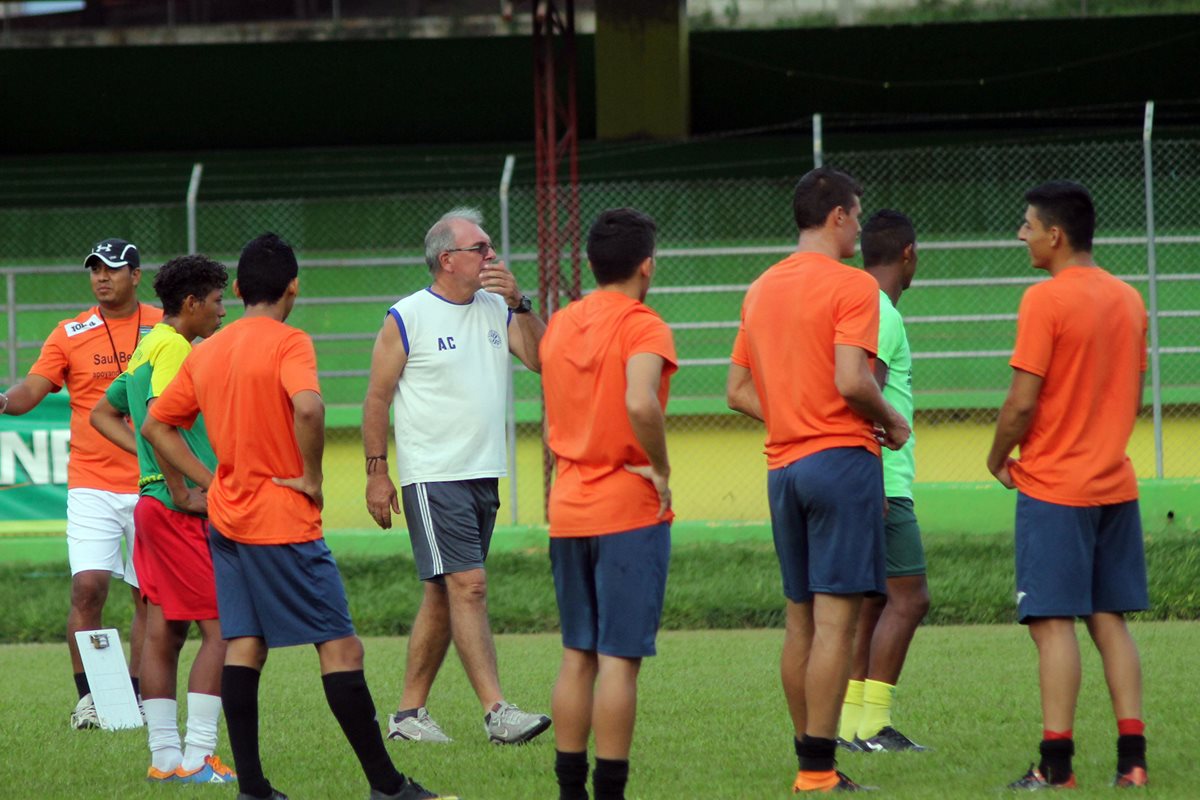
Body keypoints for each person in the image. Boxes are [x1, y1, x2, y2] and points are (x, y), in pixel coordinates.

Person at [143, 233, 453, 800]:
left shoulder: (207, 350)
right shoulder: (290, 342)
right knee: (342, 649)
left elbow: (156, 425)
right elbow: (308, 406)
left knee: (244, 646)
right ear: (294, 289)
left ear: (235, 290)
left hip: (227, 522)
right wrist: (311, 477)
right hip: (281, 521)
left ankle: (255, 790)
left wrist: (200, 485)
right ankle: (387, 787)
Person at [726, 166, 910, 794]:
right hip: (840, 463)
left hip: (783, 468)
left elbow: (737, 390)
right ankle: (818, 770)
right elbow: (853, 380)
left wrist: (793, 415)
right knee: (838, 624)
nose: (861, 226)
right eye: (857, 215)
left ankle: (810, 758)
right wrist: (893, 421)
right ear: (836, 216)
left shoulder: (761, 288)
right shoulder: (853, 286)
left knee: (800, 620)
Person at [362, 207, 550, 745]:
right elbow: (375, 398)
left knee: (444, 594)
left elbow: (542, 359)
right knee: (469, 585)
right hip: (432, 476)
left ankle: (407, 717)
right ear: (448, 259)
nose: (492, 257)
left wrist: (521, 303)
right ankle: (497, 712)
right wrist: (379, 474)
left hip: (483, 473)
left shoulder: (498, 308)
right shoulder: (407, 316)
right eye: (481, 248)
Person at [987, 181, 1149, 790]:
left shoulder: (1044, 301)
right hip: (1115, 483)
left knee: (1053, 623)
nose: (1021, 235)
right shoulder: (1130, 300)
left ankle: (1056, 767)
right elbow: (1131, 396)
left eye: (1027, 225)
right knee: (1111, 620)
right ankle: (1132, 760)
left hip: (1055, 487)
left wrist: (998, 455)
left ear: (1055, 235)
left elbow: (1020, 402)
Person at [539, 208, 676, 800]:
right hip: (626, 506)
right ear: (646, 266)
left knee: (577, 655)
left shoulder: (561, 324)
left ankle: (570, 791)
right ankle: (610, 793)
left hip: (568, 505)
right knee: (619, 659)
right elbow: (641, 403)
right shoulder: (645, 325)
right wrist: (662, 469)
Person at [0, 238, 162, 729]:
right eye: (94, 270)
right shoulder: (70, 331)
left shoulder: (166, 324)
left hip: (152, 480)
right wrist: (3, 400)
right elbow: (32, 389)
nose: (101, 277)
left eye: (112, 269)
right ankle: (91, 697)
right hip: (91, 481)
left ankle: (132, 697)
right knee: (87, 589)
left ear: (136, 275)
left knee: (148, 597)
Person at [90, 254, 235, 783]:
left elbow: (101, 413)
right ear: (192, 304)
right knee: (222, 630)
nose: (223, 312)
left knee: (164, 633)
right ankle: (198, 757)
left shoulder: (145, 344)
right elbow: (158, 423)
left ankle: (164, 759)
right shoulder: (174, 347)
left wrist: (151, 474)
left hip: (150, 507)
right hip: (176, 511)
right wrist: (183, 486)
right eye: (217, 302)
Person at [838, 209, 932, 753]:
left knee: (874, 602)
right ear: (908, 254)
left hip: (870, 476)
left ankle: (853, 727)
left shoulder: (855, 302)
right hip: (883, 479)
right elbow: (863, 393)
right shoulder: (881, 311)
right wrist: (872, 476)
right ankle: (872, 725)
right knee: (910, 598)